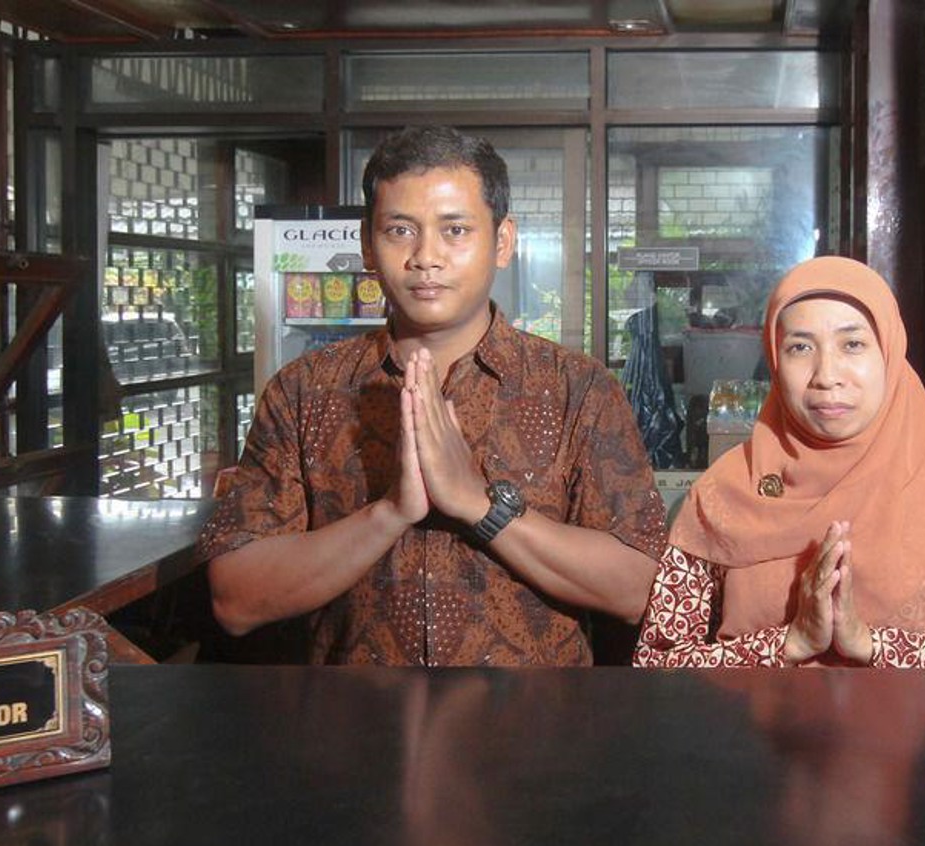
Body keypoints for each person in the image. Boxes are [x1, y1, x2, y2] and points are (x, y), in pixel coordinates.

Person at [201, 125, 667, 666]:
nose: (426, 257)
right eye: (400, 230)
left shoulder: (578, 389)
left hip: (535, 714)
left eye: (455, 230)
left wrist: (479, 505)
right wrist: (389, 513)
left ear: (503, 242)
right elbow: (235, 599)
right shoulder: (303, 391)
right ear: (367, 245)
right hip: (351, 714)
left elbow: (638, 589)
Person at [634, 256, 925, 669]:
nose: (826, 375)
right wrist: (789, 643)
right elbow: (656, 664)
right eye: (800, 347)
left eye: (852, 344)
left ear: (890, 353)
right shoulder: (723, 493)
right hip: (749, 713)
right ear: (775, 360)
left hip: (908, 715)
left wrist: (869, 644)